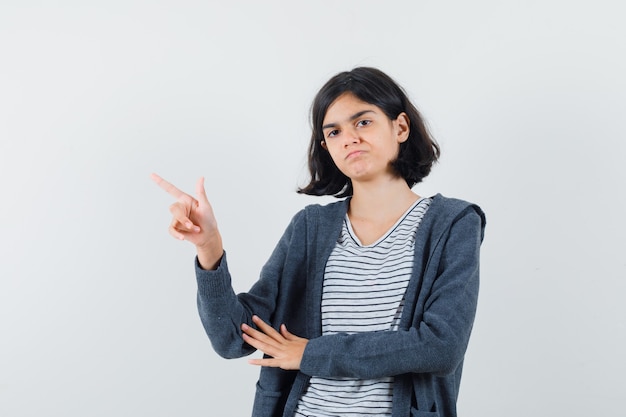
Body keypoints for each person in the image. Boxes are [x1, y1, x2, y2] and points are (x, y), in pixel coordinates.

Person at [152, 66, 486, 417]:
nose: (350, 138)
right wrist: (209, 248)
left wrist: (311, 353)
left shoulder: (453, 223)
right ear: (327, 147)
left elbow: (440, 346)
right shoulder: (310, 228)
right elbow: (232, 340)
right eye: (334, 131)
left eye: (363, 122)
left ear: (400, 127)